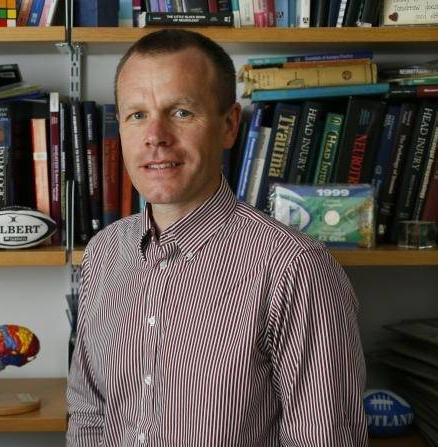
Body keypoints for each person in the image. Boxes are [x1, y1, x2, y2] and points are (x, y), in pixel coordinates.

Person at [67, 29, 367, 446]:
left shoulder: (295, 269)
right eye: (137, 115)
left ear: (229, 126)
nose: (155, 136)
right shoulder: (104, 251)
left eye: (181, 112)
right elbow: (89, 415)